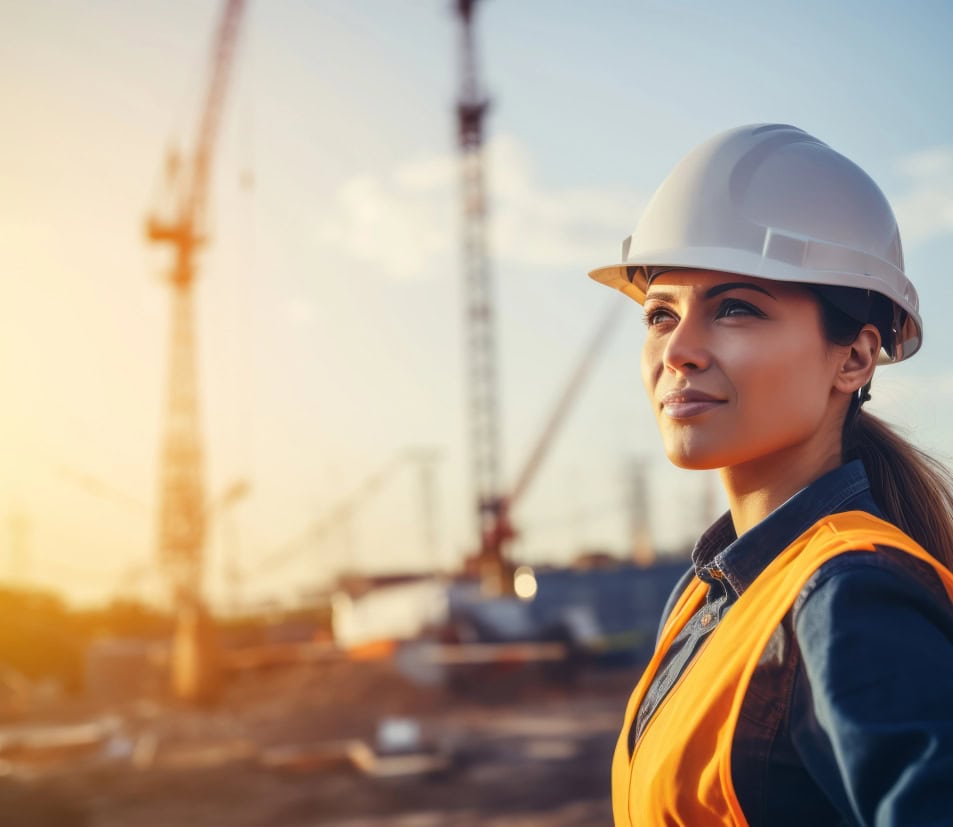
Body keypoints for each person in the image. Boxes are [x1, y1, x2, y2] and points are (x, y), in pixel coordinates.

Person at [587, 123, 953, 826]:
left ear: (854, 359)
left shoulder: (848, 598)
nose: (679, 350)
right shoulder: (706, 594)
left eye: (735, 308)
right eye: (660, 314)